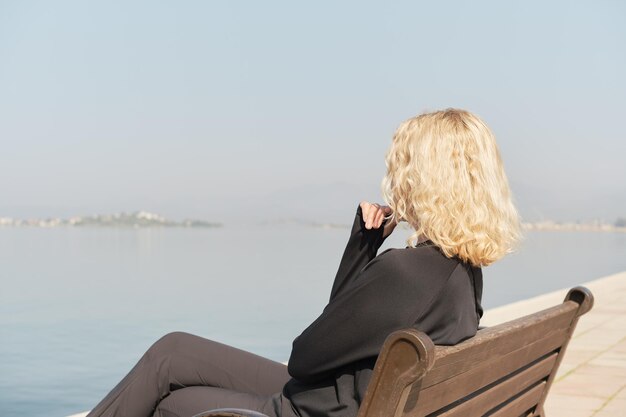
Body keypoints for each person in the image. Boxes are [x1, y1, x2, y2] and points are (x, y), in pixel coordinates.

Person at [86, 108, 521, 417]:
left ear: (423, 180)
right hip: (340, 399)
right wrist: (364, 246)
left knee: (170, 405)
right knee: (173, 351)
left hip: (308, 407)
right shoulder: (461, 273)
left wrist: (369, 257)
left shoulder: (405, 274)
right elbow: (341, 331)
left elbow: (306, 357)